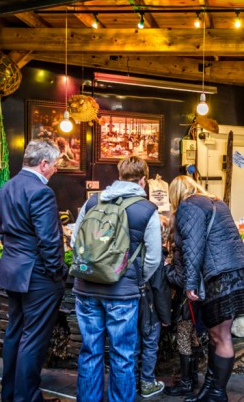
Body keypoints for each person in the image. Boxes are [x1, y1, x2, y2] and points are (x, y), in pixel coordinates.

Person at [71, 156, 161, 402]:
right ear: (143, 180)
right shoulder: (147, 210)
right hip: (122, 293)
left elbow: (74, 241)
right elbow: (154, 257)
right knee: (123, 355)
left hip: (86, 288)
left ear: (119, 176)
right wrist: (135, 278)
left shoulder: (92, 201)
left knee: (90, 351)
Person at [0, 139, 66, 402]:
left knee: (15, 333)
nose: (56, 169)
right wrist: (57, 272)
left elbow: (3, 232)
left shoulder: (6, 187)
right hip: (37, 276)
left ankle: (10, 394)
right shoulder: (41, 192)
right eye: (55, 164)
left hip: (12, 270)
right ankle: (27, 398)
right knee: (33, 340)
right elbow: (49, 240)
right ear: (43, 164)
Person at [168, 175, 244, 401]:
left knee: (220, 337)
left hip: (218, 279)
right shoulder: (216, 202)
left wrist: (190, 285)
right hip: (234, 275)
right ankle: (210, 390)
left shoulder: (188, 205)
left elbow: (193, 248)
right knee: (216, 336)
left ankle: (217, 393)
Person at [164, 214, 202, 397]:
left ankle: (186, 383)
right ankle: (192, 377)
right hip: (197, 300)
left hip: (186, 303)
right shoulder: (192, 246)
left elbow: (180, 279)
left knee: (184, 339)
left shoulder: (179, 250)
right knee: (193, 337)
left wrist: (166, 267)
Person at [136, 215, 171, 398]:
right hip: (150, 311)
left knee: (133, 346)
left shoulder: (133, 249)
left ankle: (132, 382)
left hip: (132, 307)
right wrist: (166, 317)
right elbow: (160, 289)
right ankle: (147, 383)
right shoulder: (156, 257)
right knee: (150, 345)